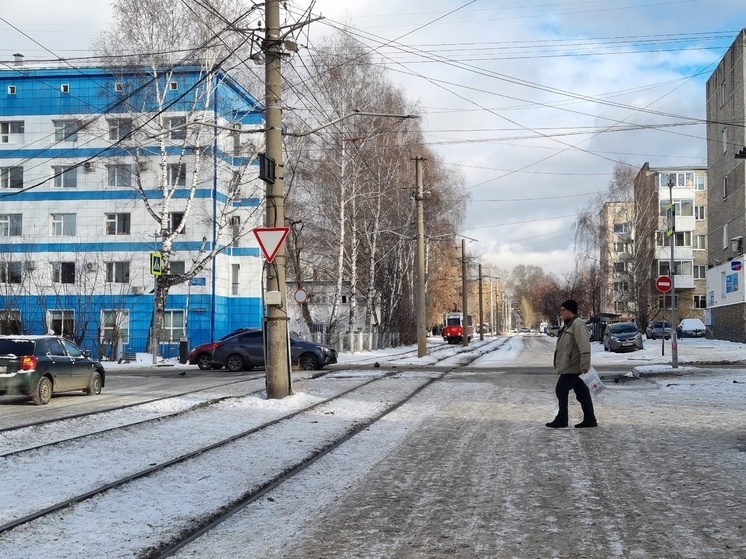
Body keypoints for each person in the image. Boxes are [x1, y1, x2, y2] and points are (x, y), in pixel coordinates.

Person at [546, 299, 598, 429]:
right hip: (574, 366)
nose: (561, 313)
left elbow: (584, 346)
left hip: (574, 366)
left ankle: (562, 419)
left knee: (561, 389)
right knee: (582, 393)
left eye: (563, 310)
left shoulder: (578, 325)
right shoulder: (570, 325)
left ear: (571, 311)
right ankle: (590, 420)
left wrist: (585, 365)